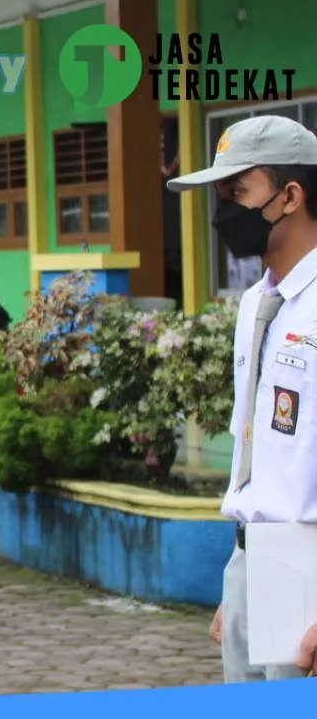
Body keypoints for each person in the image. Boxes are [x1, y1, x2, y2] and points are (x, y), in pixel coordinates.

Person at [166, 114, 317, 683]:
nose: (223, 210)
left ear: (292, 195)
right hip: (255, 558)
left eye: (237, 191)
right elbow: (257, 450)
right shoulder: (257, 303)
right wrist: (245, 581)